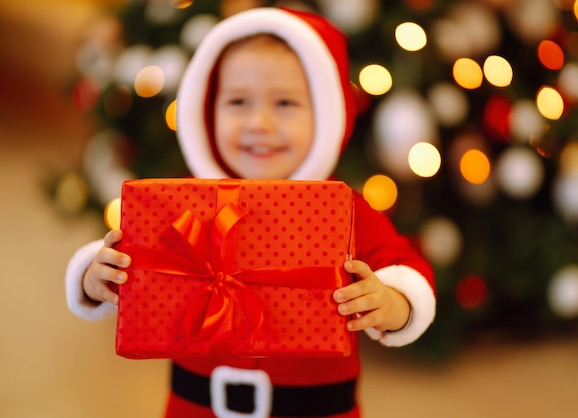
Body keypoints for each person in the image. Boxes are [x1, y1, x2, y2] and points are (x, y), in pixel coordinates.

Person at [66, 7, 436, 418]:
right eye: (238, 101)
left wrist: (392, 301)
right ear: (208, 110)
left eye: (285, 103)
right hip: (196, 406)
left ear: (327, 113)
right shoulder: (183, 197)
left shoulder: (345, 207)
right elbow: (134, 256)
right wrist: (92, 277)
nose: (259, 122)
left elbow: (408, 268)